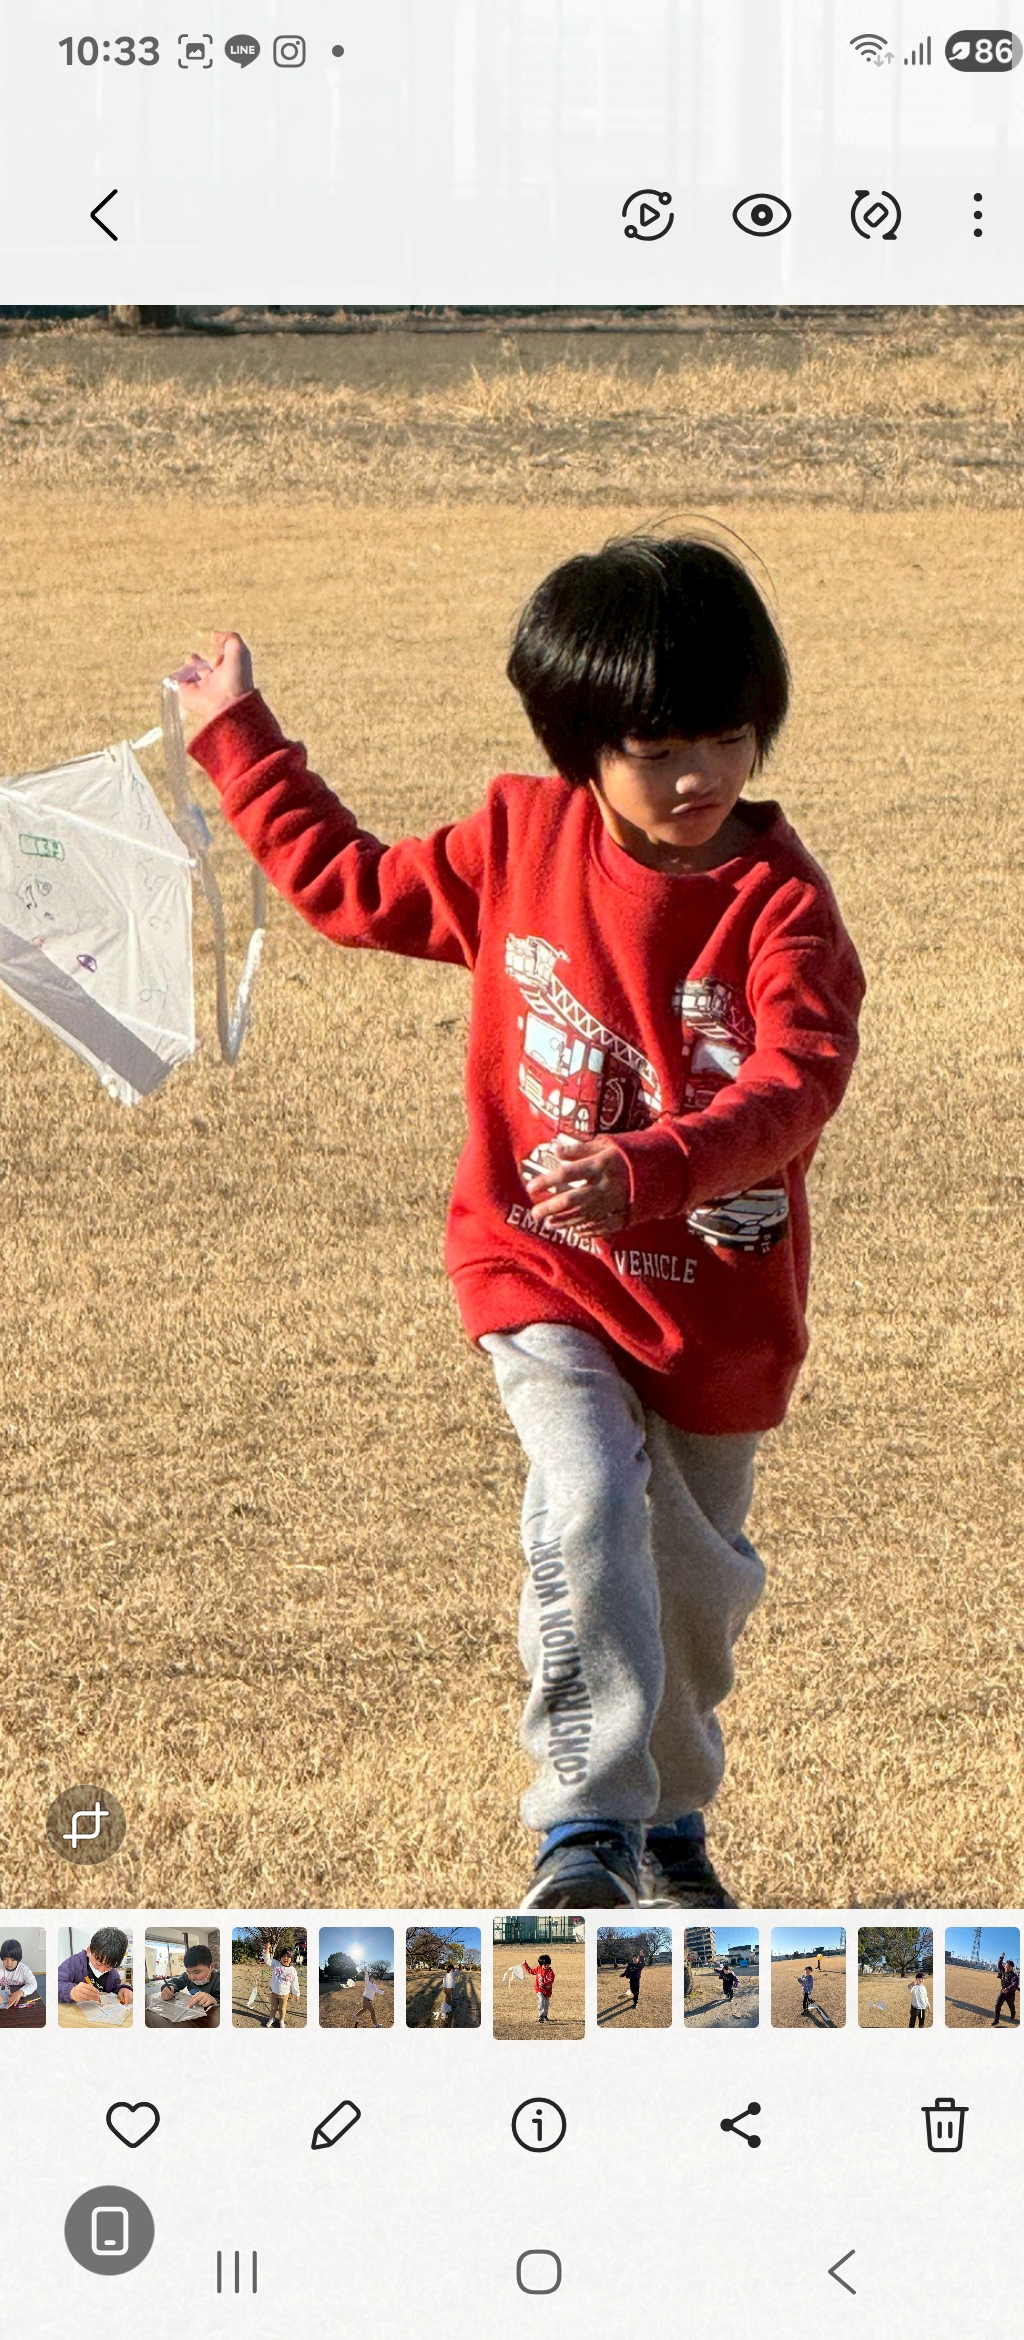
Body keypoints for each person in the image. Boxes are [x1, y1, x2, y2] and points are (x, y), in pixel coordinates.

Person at [176, 531, 864, 1911]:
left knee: (692, 1592)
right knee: (590, 1501)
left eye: (727, 739)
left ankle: (669, 1826)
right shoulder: (520, 843)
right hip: (538, 1263)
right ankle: (585, 1829)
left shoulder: (780, 906)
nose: (700, 776)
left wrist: (652, 1168)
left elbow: (798, 1082)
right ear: (580, 749)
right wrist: (236, 740)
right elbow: (356, 890)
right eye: (658, 750)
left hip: (715, 1307)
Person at [58, 1928, 133, 2007]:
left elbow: (114, 1988)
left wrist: (121, 1990)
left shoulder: (113, 1974)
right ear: (89, 1951)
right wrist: (71, 1991)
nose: (101, 1970)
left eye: (108, 1966)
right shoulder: (73, 1963)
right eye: (98, 1964)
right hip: (75, 2010)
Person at [160, 1945, 220, 2012]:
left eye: (197, 1972)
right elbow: (173, 1982)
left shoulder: (219, 1980)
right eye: (188, 1972)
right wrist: (169, 1988)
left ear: (211, 1967)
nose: (191, 1977)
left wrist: (214, 2001)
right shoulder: (186, 1976)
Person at [0, 1939, 38, 2014]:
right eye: (5, 1959)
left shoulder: (24, 1969)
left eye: (12, 1960)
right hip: (4, 1999)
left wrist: (20, 1993)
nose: (9, 1963)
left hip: (20, 2001)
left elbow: (33, 1984)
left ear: (18, 1959)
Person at [267, 1946, 301, 2028]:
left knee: (282, 2009)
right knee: (273, 2008)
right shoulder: (276, 1964)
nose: (285, 1958)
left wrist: (297, 1993)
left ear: (291, 1959)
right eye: (283, 1956)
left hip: (285, 1994)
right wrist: (267, 1949)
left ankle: (281, 2020)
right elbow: (267, 1960)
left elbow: (294, 1982)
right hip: (274, 1992)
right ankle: (272, 2018)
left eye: (288, 1956)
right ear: (280, 1957)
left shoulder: (292, 1970)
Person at [523, 1953, 555, 2023]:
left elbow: (551, 1980)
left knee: (546, 2004)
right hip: (539, 1989)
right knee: (541, 2000)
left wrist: (544, 1984)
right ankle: (541, 2016)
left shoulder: (550, 1972)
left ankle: (545, 2015)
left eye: (548, 1964)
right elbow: (530, 1971)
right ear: (541, 1964)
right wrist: (525, 1964)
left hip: (547, 1991)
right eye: (545, 1965)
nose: (547, 1966)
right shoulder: (538, 1969)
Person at [992, 1958, 1020, 2026]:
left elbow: (1015, 1985)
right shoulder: (1003, 1971)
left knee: (1011, 2006)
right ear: (1005, 1966)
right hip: (1003, 1992)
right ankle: (996, 2020)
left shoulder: (1014, 1976)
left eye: (1009, 1966)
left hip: (1010, 1994)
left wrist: (1008, 1989)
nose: (1007, 1967)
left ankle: (1013, 2014)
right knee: (997, 2005)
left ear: (1012, 1967)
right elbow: (999, 1965)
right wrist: (1001, 1957)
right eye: (1006, 1965)